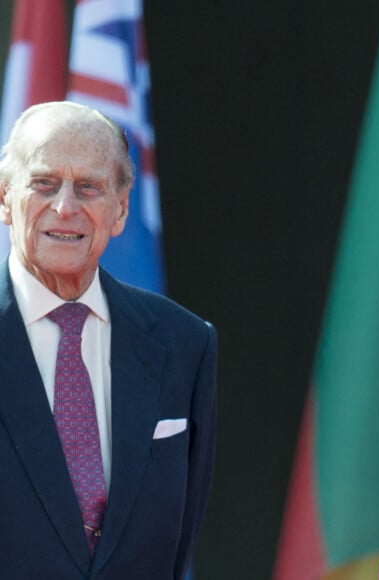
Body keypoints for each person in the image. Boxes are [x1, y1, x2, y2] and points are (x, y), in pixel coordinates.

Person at [0, 101, 217, 579]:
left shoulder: (184, 345)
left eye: (88, 187)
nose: (65, 207)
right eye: (44, 182)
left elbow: (178, 549)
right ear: (4, 196)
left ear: (120, 210)